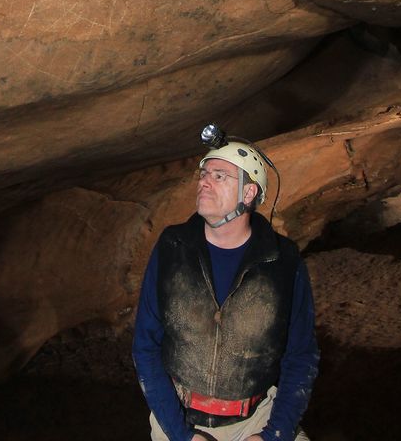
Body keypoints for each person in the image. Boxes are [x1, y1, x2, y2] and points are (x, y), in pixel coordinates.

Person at [133, 129, 320, 441]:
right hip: (178, 418)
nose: (204, 181)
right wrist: (182, 435)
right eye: (204, 173)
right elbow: (145, 346)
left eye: (220, 176)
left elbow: (301, 355)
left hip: (257, 419)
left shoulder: (283, 260)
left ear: (248, 194)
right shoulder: (173, 245)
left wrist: (273, 434)